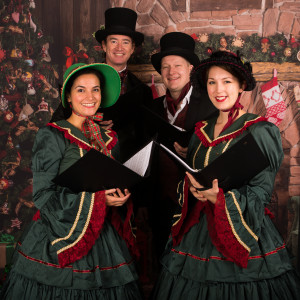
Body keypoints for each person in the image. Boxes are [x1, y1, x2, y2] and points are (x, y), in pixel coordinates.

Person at [151, 51, 300, 299]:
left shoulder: (261, 131)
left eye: (227, 81)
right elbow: (190, 178)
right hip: (197, 236)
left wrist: (220, 199)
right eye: (212, 82)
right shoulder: (200, 132)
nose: (218, 89)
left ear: (242, 85)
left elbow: (262, 194)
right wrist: (192, 189)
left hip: (244, 233)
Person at [0, 63, 143, 300]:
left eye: (95, 89)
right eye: (81, 90)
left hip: (104, 235)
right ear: (68, 95)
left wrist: (118, 196)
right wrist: (98, 200)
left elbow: (112, 181)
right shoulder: (52, 135)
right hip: (58, 235)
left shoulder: (108, 139)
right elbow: (43, 194)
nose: (90, 97)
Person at [148, 32, 217, 259]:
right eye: (165, 67)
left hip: (196, 202)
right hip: (159, 203)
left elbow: (222, 149)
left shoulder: (210, 105)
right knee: (162, 260)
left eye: (178, 65)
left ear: (190, 69)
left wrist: (196, 150)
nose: (171, 72)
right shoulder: (153, 108)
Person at [94, 7, 153, 163]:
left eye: (125, 42)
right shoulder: (82, 82)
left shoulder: (143, 92)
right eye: (114, 41)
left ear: (132, 48)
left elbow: (147, 142)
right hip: (91, 164)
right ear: (104, 46)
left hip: (129, 172)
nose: (119, 48)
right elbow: (61, 124)